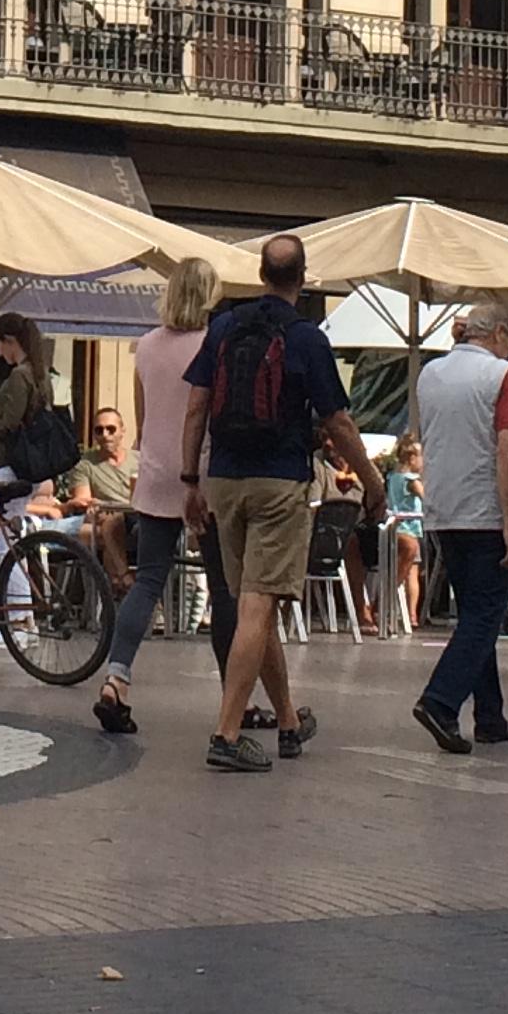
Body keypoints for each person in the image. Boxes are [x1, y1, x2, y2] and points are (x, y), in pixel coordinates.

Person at [181, 235, 382, 772]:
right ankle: (226, 734)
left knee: (255, 602)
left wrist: (189, 480)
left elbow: (196, 405)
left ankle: (289, 720)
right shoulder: (307, 337)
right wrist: (370, 479)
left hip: (223, 480)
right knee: (258, 605)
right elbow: (337, 421)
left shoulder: (223, 328)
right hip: (279, 483)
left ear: (261, 273)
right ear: (303, 276)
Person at [93, 256, 221, 735]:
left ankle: (116, 677)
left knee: (148, 581)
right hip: (202, 474)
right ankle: (237, 696)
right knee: (224, 588)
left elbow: (142, 420)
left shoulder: (144, 346)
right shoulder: (215, 344)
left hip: (155, 473)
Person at [409, 303, 508, 755]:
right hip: (486, 511)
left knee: (474, 611)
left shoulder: (430, 374)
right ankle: (440, 701)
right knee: (486, 615)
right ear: (499, 332)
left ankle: (490, 716)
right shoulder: (504, 376)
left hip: (443, 509)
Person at [0, 315, 58, 528]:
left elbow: (9, 426)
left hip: (7, 463)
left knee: (1, 543)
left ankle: (12, 561)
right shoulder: (41, 375)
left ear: (10, 341)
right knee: (13, 535)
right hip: (30, 467)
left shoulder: (19, 375)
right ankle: (20, 560)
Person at [64, 406, 136, 590]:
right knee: (109, 523)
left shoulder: (139, 460)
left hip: (138, 519)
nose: (105, 434)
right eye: (99, 430)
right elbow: (84, 500)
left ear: (122, 431)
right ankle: (125, 582)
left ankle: (117, 589)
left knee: (109, 527)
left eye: (111, 429)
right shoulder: (85, 464)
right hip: (107, 518)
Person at [385, 441, 425, 632]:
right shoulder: (412, 480)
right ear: (412, 458)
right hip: (409, 529)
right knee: (412, 574)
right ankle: (411, 614)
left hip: (394, 529)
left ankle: (400, 610)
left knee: (402, 568)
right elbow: (427, 499)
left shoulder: (392, 477)